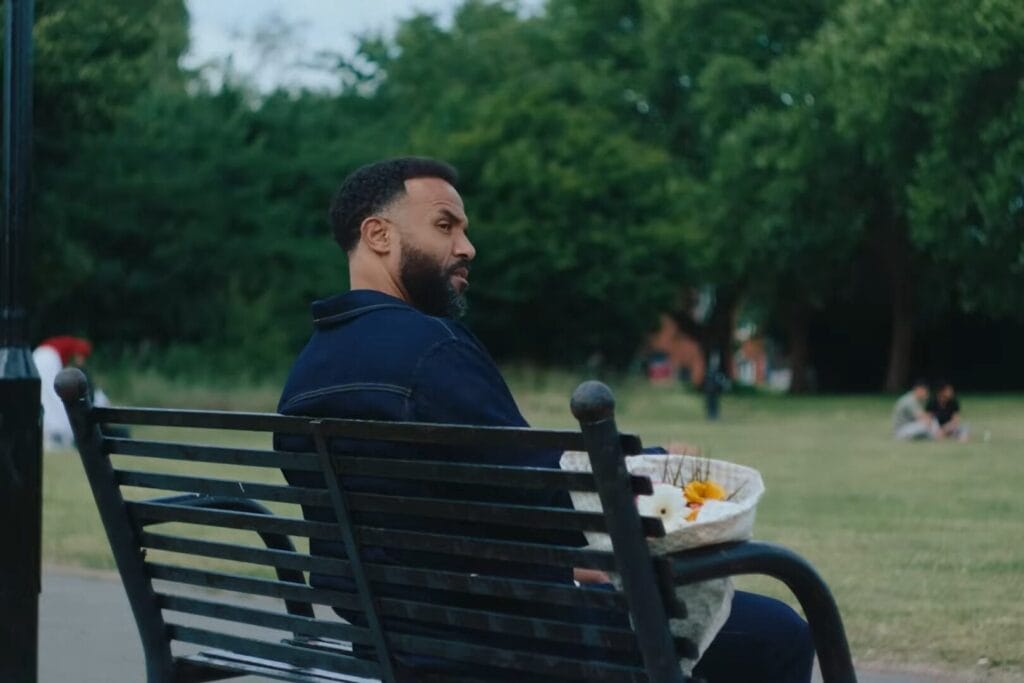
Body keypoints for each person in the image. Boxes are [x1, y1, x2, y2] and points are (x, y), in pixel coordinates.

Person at [276, 157, 813, 682]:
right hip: (501, 643)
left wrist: (571, 566)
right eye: (445, 226)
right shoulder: (430, 350)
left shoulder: (307, 373)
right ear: (378, 235)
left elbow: (464, 514)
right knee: (777, 632)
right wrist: (661, 468)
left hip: (393, 639)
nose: (467, 247)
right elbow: (550, 495)